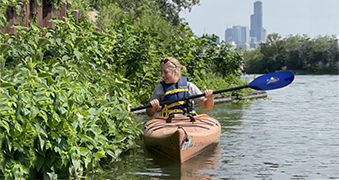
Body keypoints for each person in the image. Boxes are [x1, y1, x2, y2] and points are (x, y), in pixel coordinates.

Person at [146, 57, 214, 117]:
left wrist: (210, 98)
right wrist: (152, 107)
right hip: (168, 122)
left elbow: (207, 106)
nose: (162, 75)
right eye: (161, 72)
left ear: (175, 71)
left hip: (188, 120)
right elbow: (150, 114)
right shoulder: (159, 88)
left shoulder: (189, 86)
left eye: (166, 72)